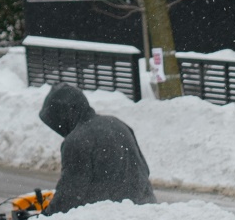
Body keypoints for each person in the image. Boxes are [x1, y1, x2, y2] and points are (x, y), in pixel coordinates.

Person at [37, 82, 156, 212]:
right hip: (146, 209)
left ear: (64, 115)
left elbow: (70, 194)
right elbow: (144, 169)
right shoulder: (117, 124)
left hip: (111, 219)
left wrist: (45, 218)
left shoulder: (77, 141)